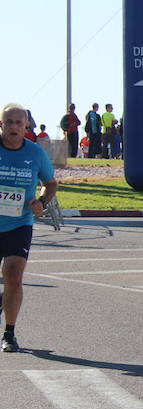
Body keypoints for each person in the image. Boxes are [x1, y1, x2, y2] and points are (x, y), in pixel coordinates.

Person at [0, 103, 58, 353]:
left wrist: (42, 202)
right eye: (9, 122)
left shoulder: (35, 153)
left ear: (26, 126)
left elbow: (51, 183)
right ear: (1, 125)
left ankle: (9, 333)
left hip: (19, 223)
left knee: (14, 276)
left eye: (18, 123)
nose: (14, 127)